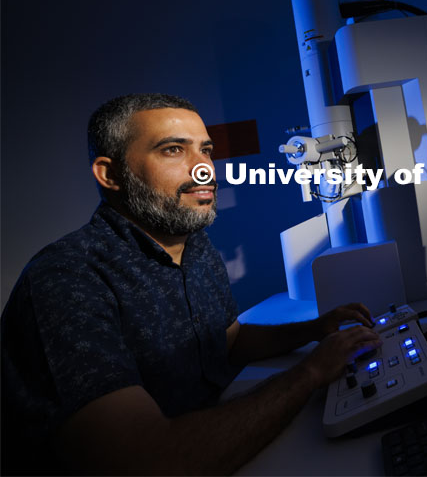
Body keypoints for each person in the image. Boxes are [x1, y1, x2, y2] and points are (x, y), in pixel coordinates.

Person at [1, 93, 382, 475]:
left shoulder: (195, 247)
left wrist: (314, 330)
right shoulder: (67, 279)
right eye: (172, 150)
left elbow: (228, 342)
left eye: (207, 150)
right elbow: (145, 461)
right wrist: (311, 373)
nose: (205, 170)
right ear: (110, 174)